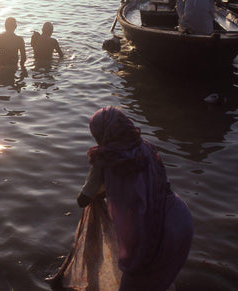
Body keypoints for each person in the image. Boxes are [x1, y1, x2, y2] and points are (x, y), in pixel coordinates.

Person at [50, 107, 193, 290]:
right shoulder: (146, 146)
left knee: (135, 283)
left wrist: (99, 191)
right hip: (180, 218)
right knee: (162, 282)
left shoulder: (105, 157)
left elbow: (83, 199)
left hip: (153, 231)